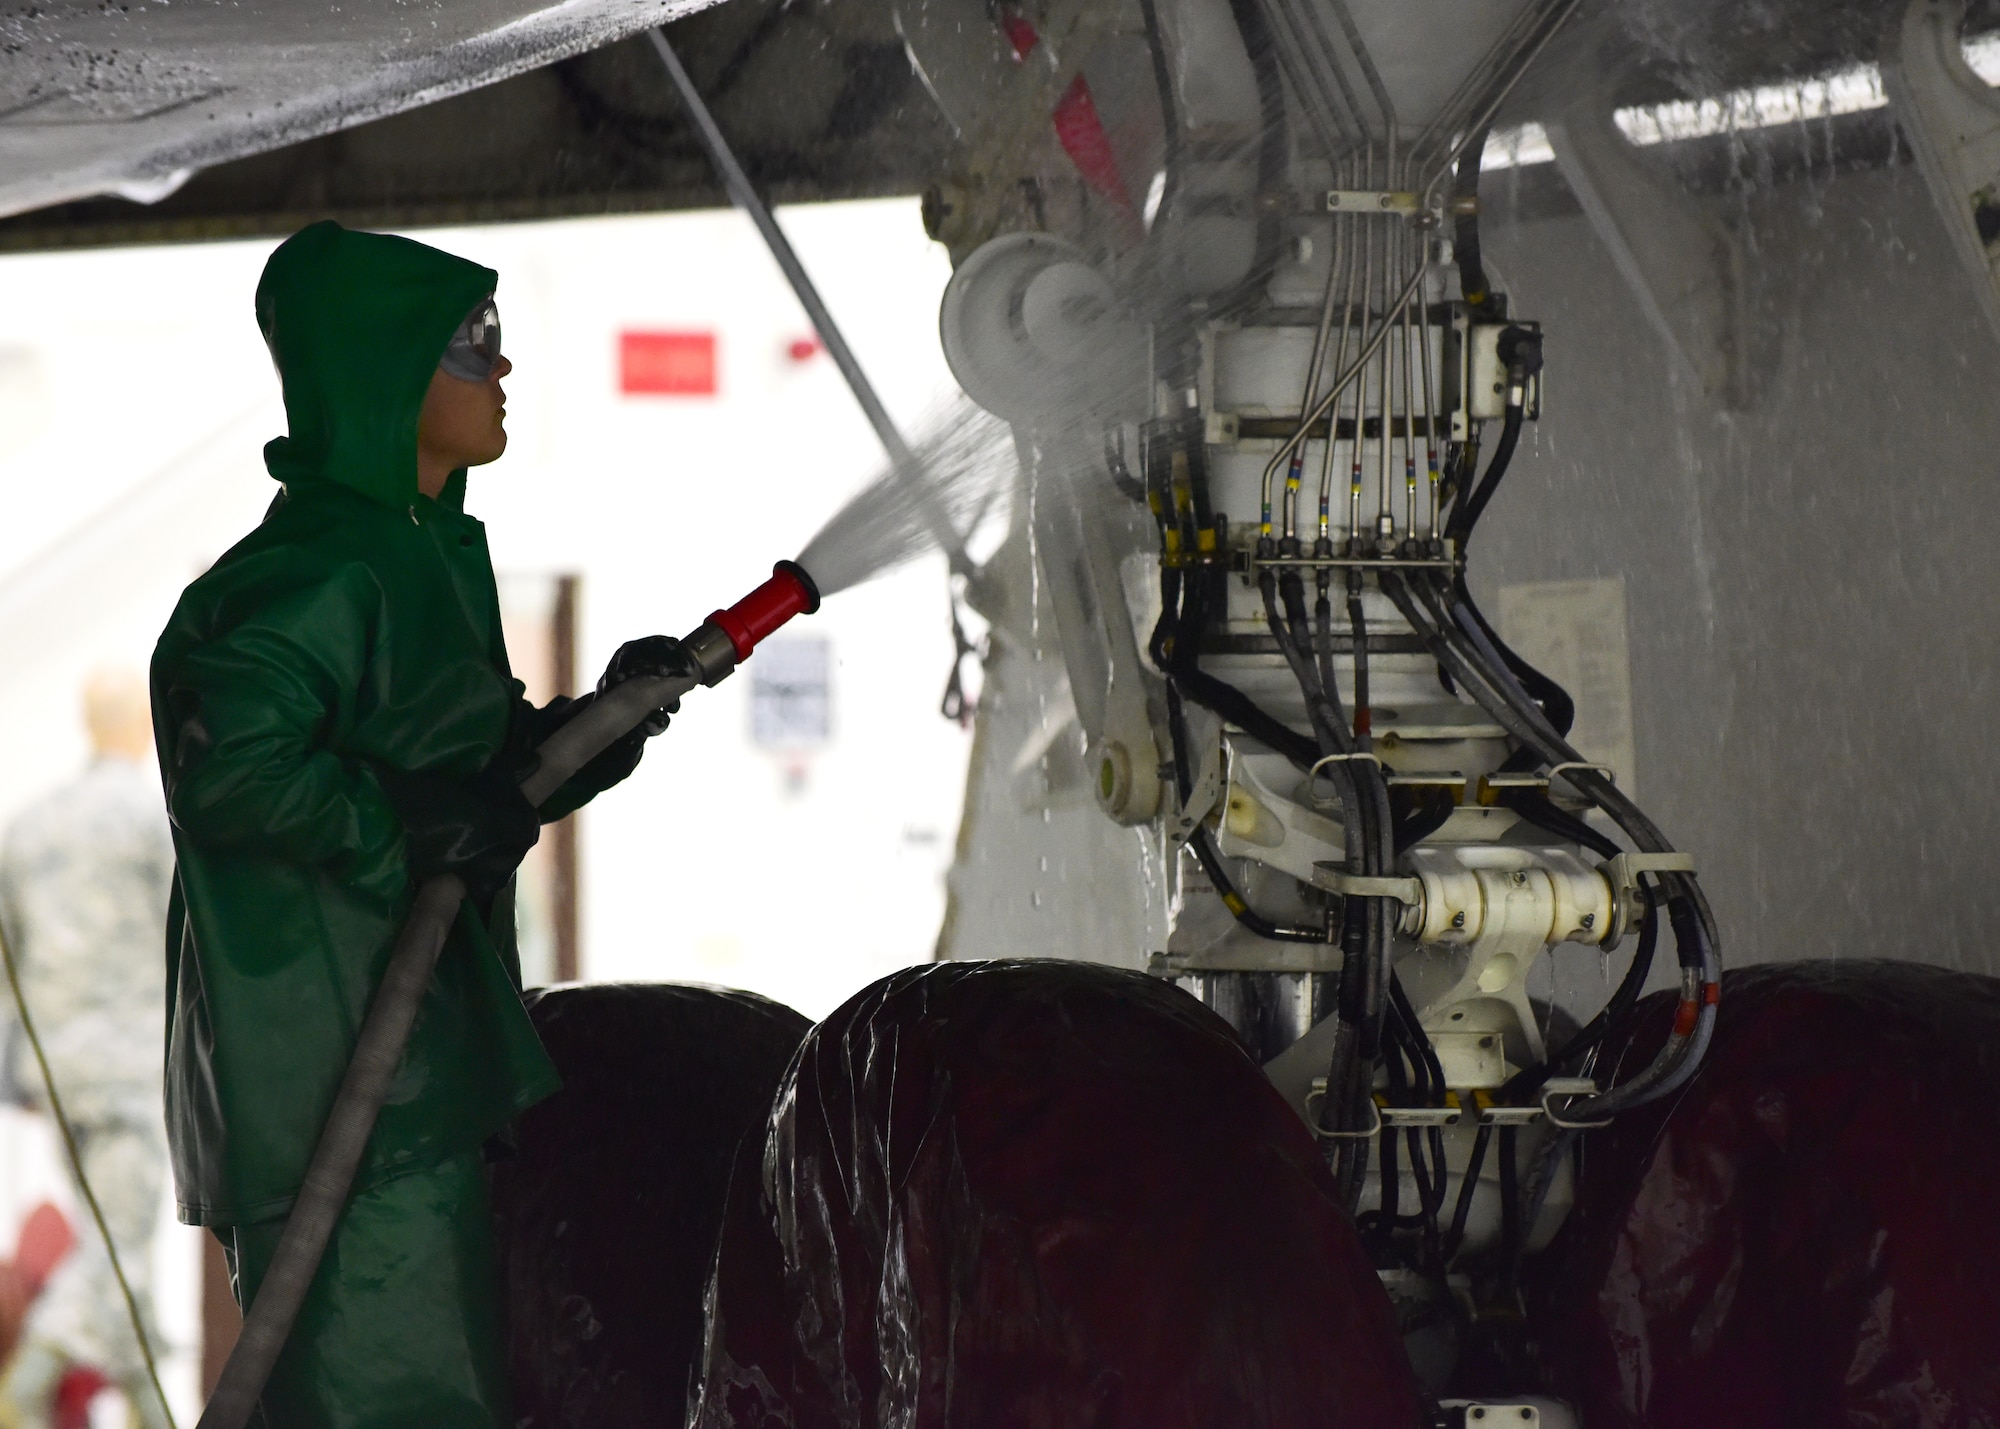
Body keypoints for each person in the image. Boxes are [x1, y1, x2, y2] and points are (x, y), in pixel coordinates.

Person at [150, 221, 687, 1429]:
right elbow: (234, 774)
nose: (500, 370)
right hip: (338, 1079)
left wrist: (600, 727)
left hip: (416, 1074)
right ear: (384, 371)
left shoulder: (418, 556)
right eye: (469, 344)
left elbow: (482, 787)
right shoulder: (305, 578)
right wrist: (409, 818)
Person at [0, 668, 175, 1429]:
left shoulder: (31, 824)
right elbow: (194, 943)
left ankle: (154, 1408)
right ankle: (28, 1381)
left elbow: (7, 953)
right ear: (138, 729)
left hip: (57, 1072)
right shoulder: (151, 820)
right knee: (117, 1242)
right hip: (131, 1069)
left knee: (114, 1233)